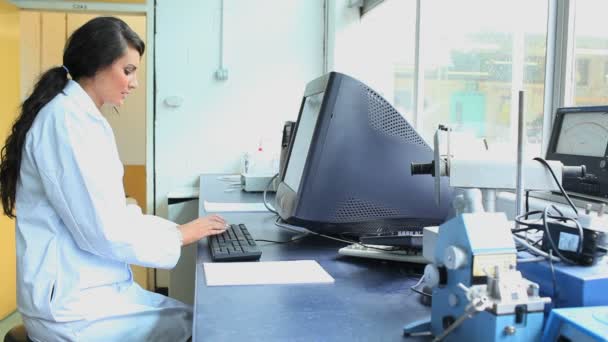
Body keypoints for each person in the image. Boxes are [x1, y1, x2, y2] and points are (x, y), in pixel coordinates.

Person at [0, 16, 227, 342]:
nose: (134, 83)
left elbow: (111, 213)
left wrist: (175, 230)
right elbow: (102, 230)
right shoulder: (67, 123)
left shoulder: (80, 117)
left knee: (196, 320)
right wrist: (179, 236)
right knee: (202, 328)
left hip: (86, 291)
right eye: (128, 70)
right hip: (72, 309)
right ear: (96, 66)